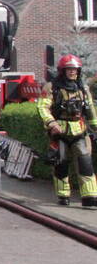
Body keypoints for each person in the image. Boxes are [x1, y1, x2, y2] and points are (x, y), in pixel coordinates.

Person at [37, 54, 97, 207]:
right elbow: (42, 107)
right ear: (62, 71)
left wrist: (95, 126)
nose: (72, 72)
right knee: (60, 164)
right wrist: (51, 123)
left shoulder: (83, 88)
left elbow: (90, 109)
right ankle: (63, 196)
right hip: (60, 132)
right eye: (69, 69)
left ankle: (90, 196)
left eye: (75, 69)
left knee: (85, 163)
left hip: (79, 130)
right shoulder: (52, 87)